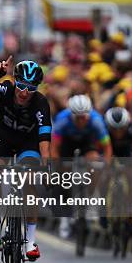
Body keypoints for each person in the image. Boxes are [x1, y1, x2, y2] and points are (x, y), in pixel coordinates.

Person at [0, 58, 51, 261]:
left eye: (30, 87)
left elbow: (44, 139)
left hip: (29, 143)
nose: (24, 92)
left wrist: (45, 166)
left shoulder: (41, 103)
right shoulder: (6, 88)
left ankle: (30, 240)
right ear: (15, 81)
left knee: (29, 183)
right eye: (21, 85)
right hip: (4, 138)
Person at [52, 94, 112, 238]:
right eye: (77, 117)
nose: (81, 120)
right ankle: (65, 216)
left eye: (84, 117)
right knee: (63, 173)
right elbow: (54, 147)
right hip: (67, 142)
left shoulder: (96, 121)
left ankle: (90, 201)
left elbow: (107, 147)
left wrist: (106, 165)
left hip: (87, 142)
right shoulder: (62, 120)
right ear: (71, 115)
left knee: (95, 162)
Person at [103, 107, 132, 234]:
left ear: (127, 125)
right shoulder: (102, 130)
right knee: (104, 177)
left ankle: (130, 218)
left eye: (121, 129)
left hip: (126, 153)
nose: (118, 133)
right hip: (108, 151)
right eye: (114, 129)